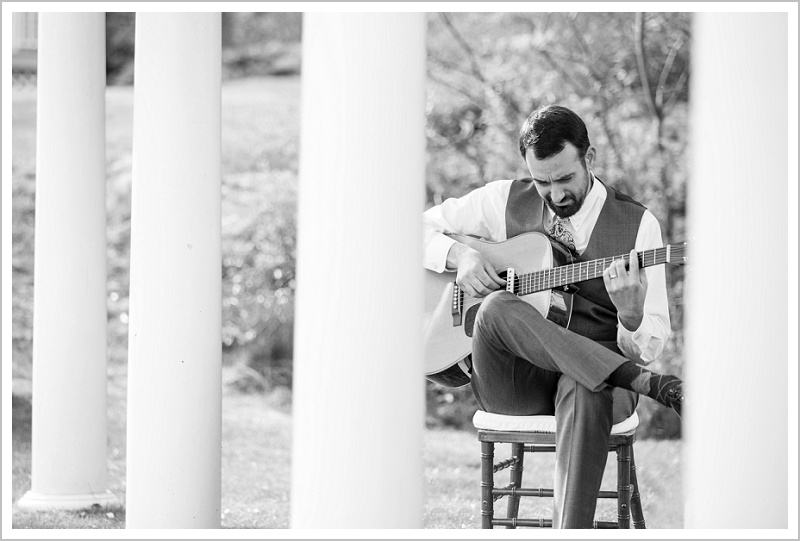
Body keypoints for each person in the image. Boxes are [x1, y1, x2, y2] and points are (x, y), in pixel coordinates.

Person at [422, 104, 683, 529]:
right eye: (543, 182)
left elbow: (650, 343)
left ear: (590, 159)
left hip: (594, 385)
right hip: (513, 382)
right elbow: (410, 229)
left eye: (565, 179)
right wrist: (461, 254)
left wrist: (631, 315)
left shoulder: (638, 226)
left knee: (587, 384)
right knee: (494, 307)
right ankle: (654, 388)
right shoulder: (503, 199)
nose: (556, 194)